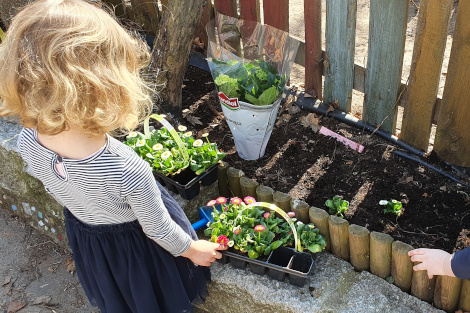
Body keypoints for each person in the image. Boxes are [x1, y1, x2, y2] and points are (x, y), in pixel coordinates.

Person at [0, 0, 226, 312]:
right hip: (139, 249)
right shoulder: (125, 168)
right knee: (153, 296)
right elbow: (157, 229)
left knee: (120, 294)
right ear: (107, 86)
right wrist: (192, 250)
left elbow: (54, 188)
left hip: (91, 240)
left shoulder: (28, 139)